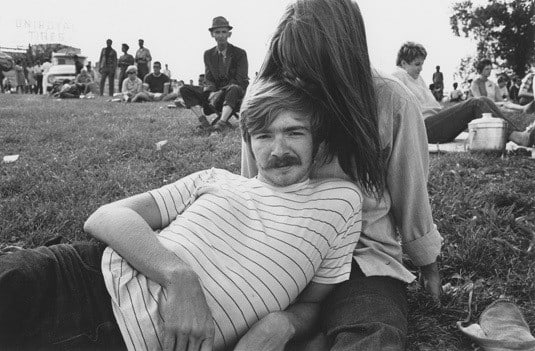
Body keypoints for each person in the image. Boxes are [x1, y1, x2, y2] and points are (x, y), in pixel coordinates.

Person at [0, 79, 363, 351]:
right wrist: (179, 277)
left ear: (318, 141)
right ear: (249, 143)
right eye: (264, 136)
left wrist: (284, 323)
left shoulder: (340, 202)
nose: (278, 149)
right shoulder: (217, 179)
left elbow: (314, 302)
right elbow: (107, 216)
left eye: (294, 132)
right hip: (80, 277)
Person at [240, 1, 442, 350]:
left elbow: (411, 191)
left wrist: (429, 266)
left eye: (311, 67)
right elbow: (252, 187)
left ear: (343, 58)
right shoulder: (266, 97)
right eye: (291, 65)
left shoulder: (390, 100)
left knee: (372, 333)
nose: (299, 78)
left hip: (361, 257)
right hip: (284, 251)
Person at [393, 42, 535, 146]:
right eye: (417, 64)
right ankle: (519, 137)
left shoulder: (415, 77)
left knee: (484, 101)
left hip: (433, 123)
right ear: (404, 63)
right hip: (423, 129)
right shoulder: (398, 76)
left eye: (422, 64)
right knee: (477, 102)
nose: (421, 68)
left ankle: (518, 134)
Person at [179, 16, 249, 132]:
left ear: (229, 34)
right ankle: (204, 122)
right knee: (184, 89)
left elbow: (240, 78)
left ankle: (221, 124)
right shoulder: (208, 54)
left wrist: (220, 92)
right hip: (215, 93)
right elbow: (209, 77)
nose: (221, 35)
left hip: (234, 93)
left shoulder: (240, 53)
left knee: (234, 88)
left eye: (224, 32)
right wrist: (211, 92)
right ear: (212, 35)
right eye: (217, 32)